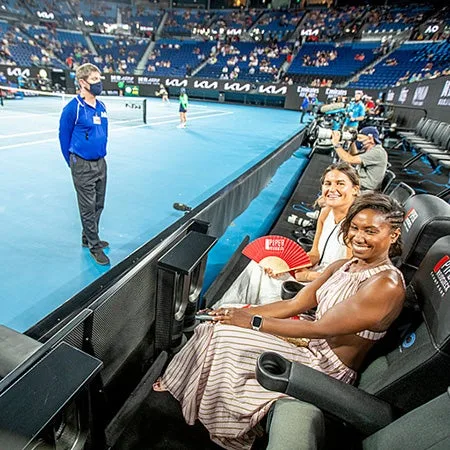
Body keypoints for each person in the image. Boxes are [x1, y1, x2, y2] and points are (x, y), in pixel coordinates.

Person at [154, 192, 406, 450]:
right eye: (354, 228)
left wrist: (252, 321)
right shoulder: (343, 265)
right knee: (221, 318)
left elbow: (318, 328)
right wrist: (243, 312)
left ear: (393, 235)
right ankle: (181, 384)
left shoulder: (386, 285)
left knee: (225, 335)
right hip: (307, 341)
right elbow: (293, 304)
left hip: (322, 365)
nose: (359, 237)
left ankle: (226, 426)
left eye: (370, 231)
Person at [213, 163, 360, 308]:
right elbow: (315, 253)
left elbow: (346, 276)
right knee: (258, 267)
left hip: (329, 286)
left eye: (340, 184)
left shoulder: (355, 225)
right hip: (315, 273)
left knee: (268, 285)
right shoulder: (326, 212)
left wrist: (308, 275)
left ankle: (241, 313)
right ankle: (220, 309)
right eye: (328, 183)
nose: (332, 189)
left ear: (355, 189)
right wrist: (288, 266)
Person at [58, 63, 110, 266]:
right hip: (82, 164)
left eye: (99, 78)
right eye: (95, 79)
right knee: (87, 207)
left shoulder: (101, 106)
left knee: (98, 204)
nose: (99, 83)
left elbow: (103, 133)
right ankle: (94, 246)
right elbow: (63, 137)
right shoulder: (73, 108)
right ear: (82, 82)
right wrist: (72, 162)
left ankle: (87, 237)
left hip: (101, 163)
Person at [332, 126, 388, 191]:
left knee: (337, 184)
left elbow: (350, 159)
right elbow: (354, 156)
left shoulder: (377, 152)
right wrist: (352, 142)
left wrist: (336, 144)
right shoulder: (368, 149)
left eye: (360, 138)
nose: (358, 140)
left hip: (366, 189)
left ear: (370, 138)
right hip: (362, 184)